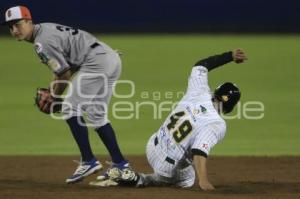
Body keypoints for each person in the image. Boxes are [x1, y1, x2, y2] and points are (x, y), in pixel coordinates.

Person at [2, 5, 132, 184]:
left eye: (18, 24)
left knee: (70, 107)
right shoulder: (46, 29)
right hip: (109, 57)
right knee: (96, 115)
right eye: (10, 27)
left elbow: (64, 74)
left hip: (97, 62)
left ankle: (88, 161)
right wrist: (52, 89)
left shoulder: (41, 43)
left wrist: (53, 95)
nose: (15, 30)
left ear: (29, 21)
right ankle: (121, 165)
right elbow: (68, 66)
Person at [90, 49, 247, 190]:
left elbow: (200, 66)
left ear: (216, 91)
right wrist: (204, 181)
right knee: (188, 178)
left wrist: (230, 56)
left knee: (181, 152)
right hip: (168, 167)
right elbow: (199, 151)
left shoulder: (199, 91)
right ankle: (140, 179)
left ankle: (132, 176)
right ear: (230, 106)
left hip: (152, 147)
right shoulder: (217, 124)